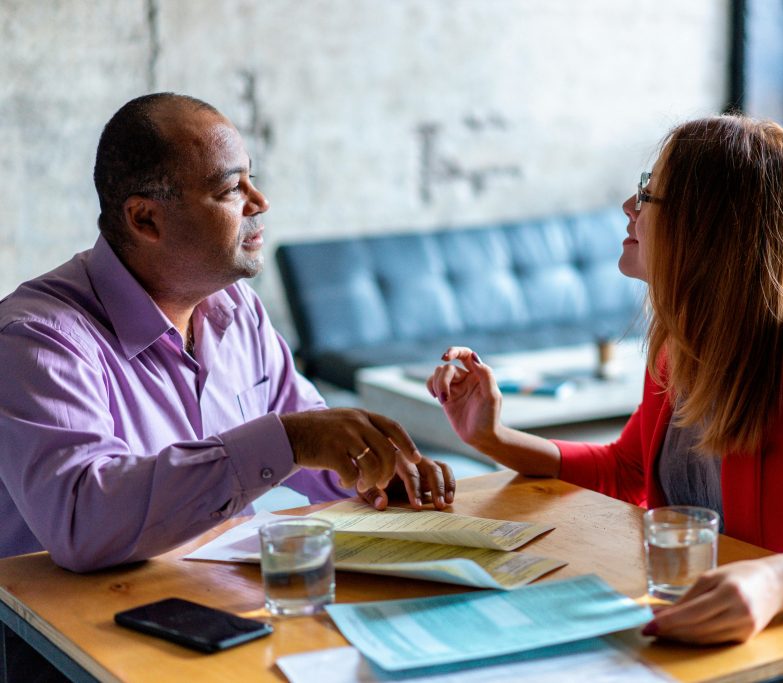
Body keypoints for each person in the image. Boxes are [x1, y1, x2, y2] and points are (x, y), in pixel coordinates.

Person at [426, 115, 783, 682]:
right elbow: (626, 470)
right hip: (697, 644)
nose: (629, 204)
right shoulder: (681, 341)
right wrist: (493, 437)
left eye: (648, 192)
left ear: (711, 223)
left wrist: (779, 578)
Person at [0, 93, 455, 574]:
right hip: (71, 633)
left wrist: (375, 471)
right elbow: (83, 521)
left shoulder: (237, 310)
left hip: (219, 598)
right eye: (230, 189)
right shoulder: (36, 340)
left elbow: (311, 437)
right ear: (145, 219)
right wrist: (290, 441)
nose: (259, 202)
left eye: (251, 178)